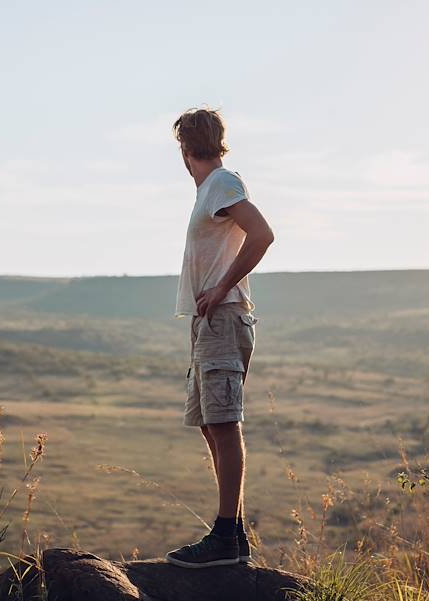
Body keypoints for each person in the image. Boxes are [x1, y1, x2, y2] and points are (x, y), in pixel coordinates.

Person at [165, 107, 275, 568]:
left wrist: (223, 286)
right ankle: (234, 534)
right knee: (212, 423)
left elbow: (262, 234)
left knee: (224, 423)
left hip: (223, 317)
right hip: (208, 322)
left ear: (185, 150)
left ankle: (227, 536)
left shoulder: (222, 184)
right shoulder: (213, 189)